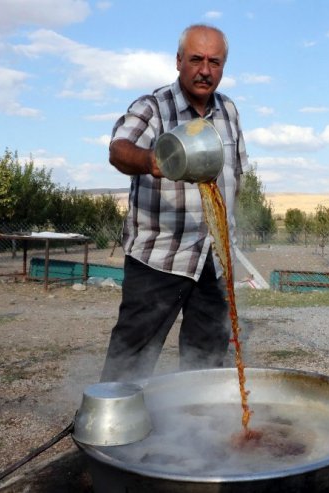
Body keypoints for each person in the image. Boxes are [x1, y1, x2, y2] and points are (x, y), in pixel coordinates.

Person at [100, 24, 247, 382]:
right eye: (196, 59)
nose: (205, 70)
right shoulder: (153, 108)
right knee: (132, 355)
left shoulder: (228, 111)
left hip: (212, 259)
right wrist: (153, 160)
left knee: (208, 357)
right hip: (159, 257)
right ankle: (108, 430)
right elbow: (118, 150)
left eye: (215, 61)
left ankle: (197, 430)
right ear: (179, 61)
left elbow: (237, 172)